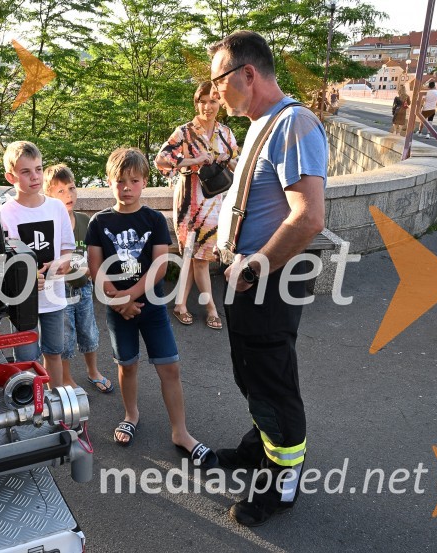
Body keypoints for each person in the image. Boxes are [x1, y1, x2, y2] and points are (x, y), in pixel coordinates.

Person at [208, 30, 327, 526]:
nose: (214, 91)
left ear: (247, 74)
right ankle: (260, 444)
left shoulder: (295, 124)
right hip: (246, 280)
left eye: (218, 80)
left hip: (268, 281)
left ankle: (282, 481)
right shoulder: (262, 124)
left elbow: (308, 217)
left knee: (273, 380)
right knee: (252, 372)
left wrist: (256, 263)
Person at [85, 147, 217, 468]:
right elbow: (95, 269)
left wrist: (128, 296)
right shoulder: (98, 222)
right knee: (127, 365)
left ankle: (181, 432)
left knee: (169, 368)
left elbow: (159, 267)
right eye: (120, 181)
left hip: (152, 308)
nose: (127, 187)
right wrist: (119, 301)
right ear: (109, 181)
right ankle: (131, 414)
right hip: (119, 312)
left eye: (134, 180)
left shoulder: (154, 219)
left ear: (145, 181)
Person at [155, 82, 238, 330]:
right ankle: (211, 307)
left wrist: (226, 159)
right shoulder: (183, 132)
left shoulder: (225, 133)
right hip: (189, 201)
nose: (208, 106)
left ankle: (180, 303)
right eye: (202, 100)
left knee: (195, 255)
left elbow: (238, 166)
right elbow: (161, 160)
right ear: (196, 102)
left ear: (220, 103)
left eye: (213, 100)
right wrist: (195, 160)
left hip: (215, 202)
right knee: (199, 257)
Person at [0, 141, 76, 389]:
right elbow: (3, 260)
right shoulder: (5, 213)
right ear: (11, 176)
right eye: (26, 172)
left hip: (54, 297)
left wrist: (62, 264)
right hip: (23, 301)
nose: (35, 177)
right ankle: (33, 404)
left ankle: (55, 400)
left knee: (54, 351)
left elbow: (67, 248)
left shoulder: (56, 207)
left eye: (39, 169)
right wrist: (25, 278)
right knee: (26, 357)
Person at [43, 164, 114, 394]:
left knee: (89, 332)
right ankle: (66, 378)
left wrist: (89, 270)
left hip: (83, 289)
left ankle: (93, 371)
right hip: (59, 291)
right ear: (49, 196)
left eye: (71, 188)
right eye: (60, 191)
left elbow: (94, 255)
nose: (68, 195)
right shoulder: (49, 224)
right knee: (64, 337)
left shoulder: (85, 221)